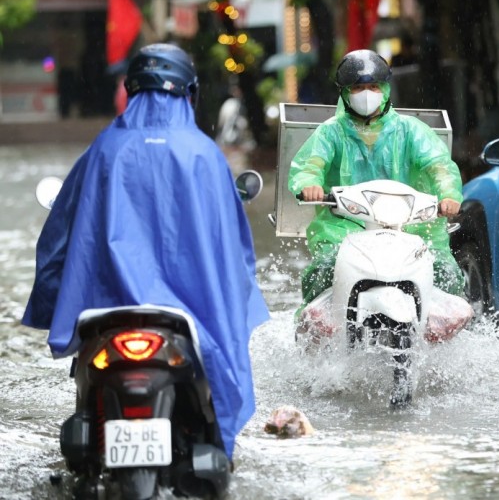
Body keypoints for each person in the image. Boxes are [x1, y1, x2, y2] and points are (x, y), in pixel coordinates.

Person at [22, 43, 270, 461]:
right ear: (188, 92)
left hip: (109, 317)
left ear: (131, 88)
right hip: (187, 325)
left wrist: (51, 307)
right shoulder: (205, 155)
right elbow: (236, 258)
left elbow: (57, 243)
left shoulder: (103, 150)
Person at [289, 48, 465, 311]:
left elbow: (439, 166)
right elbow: (309, 165)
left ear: (385, 89)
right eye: (358, 88)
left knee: (445, 271)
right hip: (345, 226)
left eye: (374, 86)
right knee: (324, 269)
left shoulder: (412, 130)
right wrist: (308, 185)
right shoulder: (330, 133)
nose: (367, 93)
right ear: (345, 93)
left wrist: (449, 195)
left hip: (410, 224)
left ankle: (445, 332)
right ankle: (313, 330)